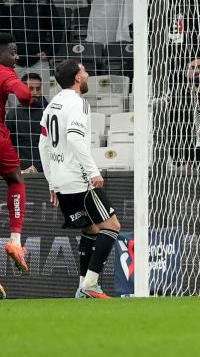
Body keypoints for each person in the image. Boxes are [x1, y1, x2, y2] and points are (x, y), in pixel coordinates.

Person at [39, 59, 119, 298]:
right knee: (112, 227)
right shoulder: (77, 103)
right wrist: (93, 171)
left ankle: (82, 288)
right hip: (78, 177)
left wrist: (52, 181)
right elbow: (74, 138)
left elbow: (43, 144)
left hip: (62, 180)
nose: (87, 74)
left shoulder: (53, 104)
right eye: (84, 71)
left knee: (91, 230)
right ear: (77, 78)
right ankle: (91, 284)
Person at [0, 32, 31, 272]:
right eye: (12, 52)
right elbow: (24, 95)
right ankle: (15, 241)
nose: (16, 56)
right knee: (15, 179)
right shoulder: (4, 72)